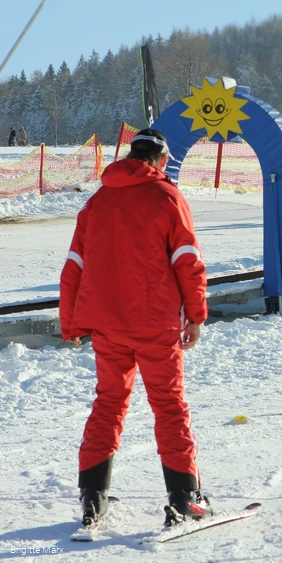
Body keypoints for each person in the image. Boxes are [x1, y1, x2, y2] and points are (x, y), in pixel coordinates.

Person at [59, 129, 211, 529]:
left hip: (107, 323)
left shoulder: (97, 202)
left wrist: (70, 320)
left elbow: (74, 263)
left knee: (108, 403)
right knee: (168, 405)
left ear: (131, 156)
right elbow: (187, 261)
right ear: (161, 160)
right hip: (155, 321)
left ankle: (92, 497)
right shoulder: (167, 197)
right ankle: (184, 497)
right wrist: (195, 315)